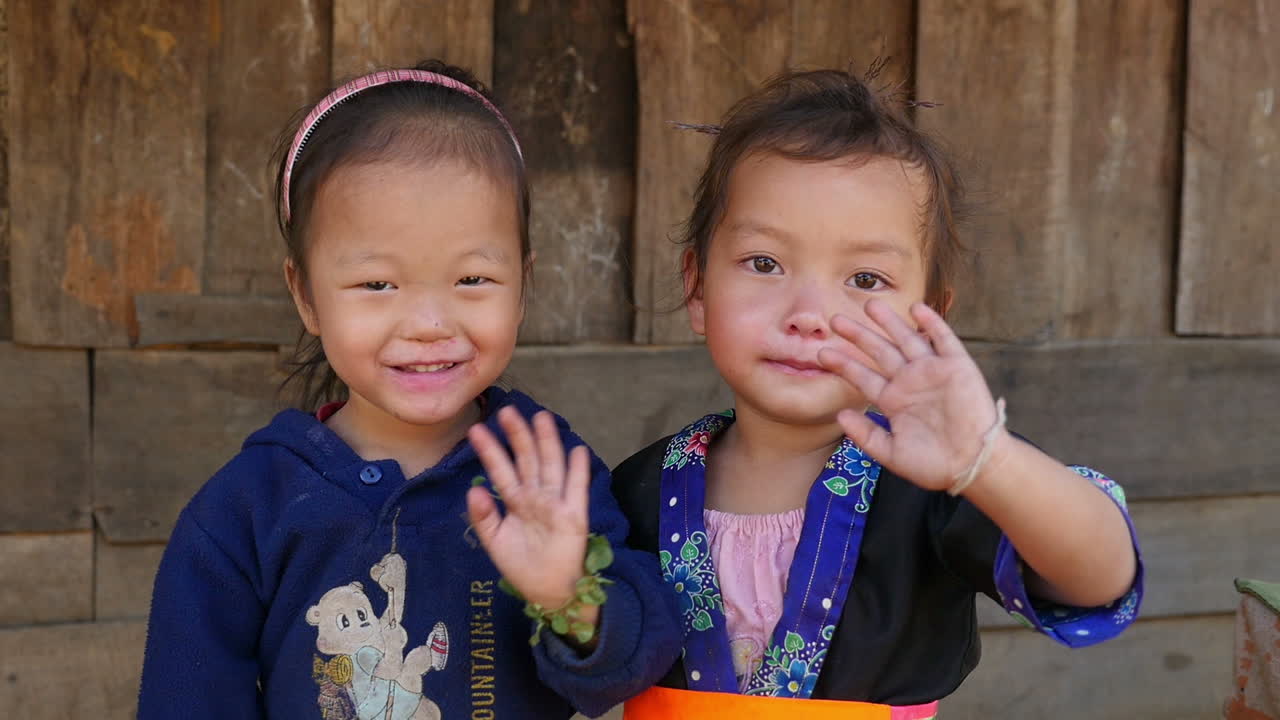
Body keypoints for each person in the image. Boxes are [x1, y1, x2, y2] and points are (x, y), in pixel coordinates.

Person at [138, 60, 679, 720]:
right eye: (377, 285)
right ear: (305, 295)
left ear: (524, 283)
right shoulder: (247, 512)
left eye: (472, 280)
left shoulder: (544, 477)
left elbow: (631, 669)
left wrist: (570, 594)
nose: (428, 325)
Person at [613, 66, 1143, 719]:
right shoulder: (632, 493)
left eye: (865, 279)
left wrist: (989, 462)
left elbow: (1100, 581)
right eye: (764, 263)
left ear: (929, 318)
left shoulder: (942, 476)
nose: (809, 312)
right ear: (698, 288)